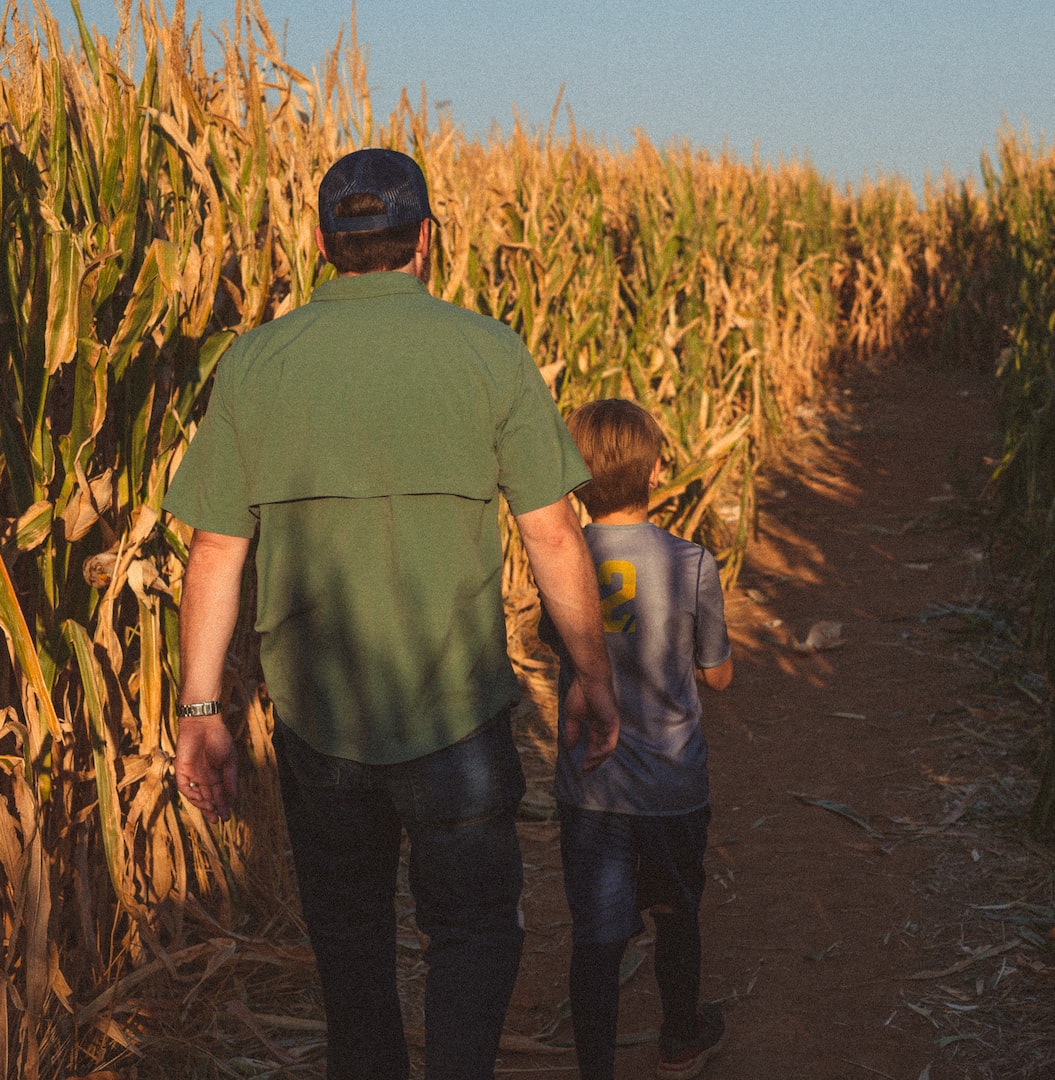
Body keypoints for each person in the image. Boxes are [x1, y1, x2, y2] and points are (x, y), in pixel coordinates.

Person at [163, 147, 623, 1080]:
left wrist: (200, 713)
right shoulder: (488, 351)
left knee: (348, 935)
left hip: (318, 726)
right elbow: (557, 537)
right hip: (457, 718)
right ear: (425, 241)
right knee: (476, 926)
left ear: (326, 243)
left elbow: (215, 549)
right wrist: (592, 676)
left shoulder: (256, 362)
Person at [542, 399, 734, 1080]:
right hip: (673, 785)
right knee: (676, 913)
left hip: (592, 787)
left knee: (596, 936)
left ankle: (597, 1067)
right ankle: (680, 1037)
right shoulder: (691, 563)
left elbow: (557, 647)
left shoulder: (562, 562)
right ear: (656, 472)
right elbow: (716, 675)